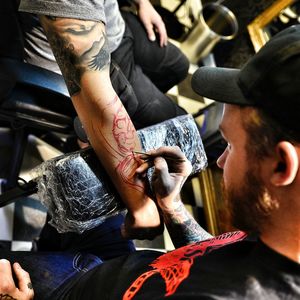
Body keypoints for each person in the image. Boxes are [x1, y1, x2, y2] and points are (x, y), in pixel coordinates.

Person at [2, 24, 300, 299]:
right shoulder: (275, 236)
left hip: (71, 290)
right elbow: (217, 253)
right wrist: (173, 208)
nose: (220, 161)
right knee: (87, 181)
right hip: (120, 270)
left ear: (281, 166)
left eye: (232, 146)